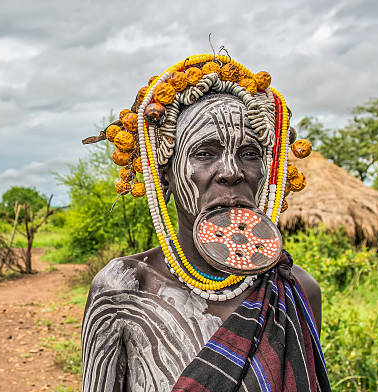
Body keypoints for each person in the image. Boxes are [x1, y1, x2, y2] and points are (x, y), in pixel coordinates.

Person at [81, 53, 330, 391]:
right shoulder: (123, 289)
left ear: (268, 175)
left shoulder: (297, 291)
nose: (231, 171)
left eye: (249, 153)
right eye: (204, 153)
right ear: (164, 175)